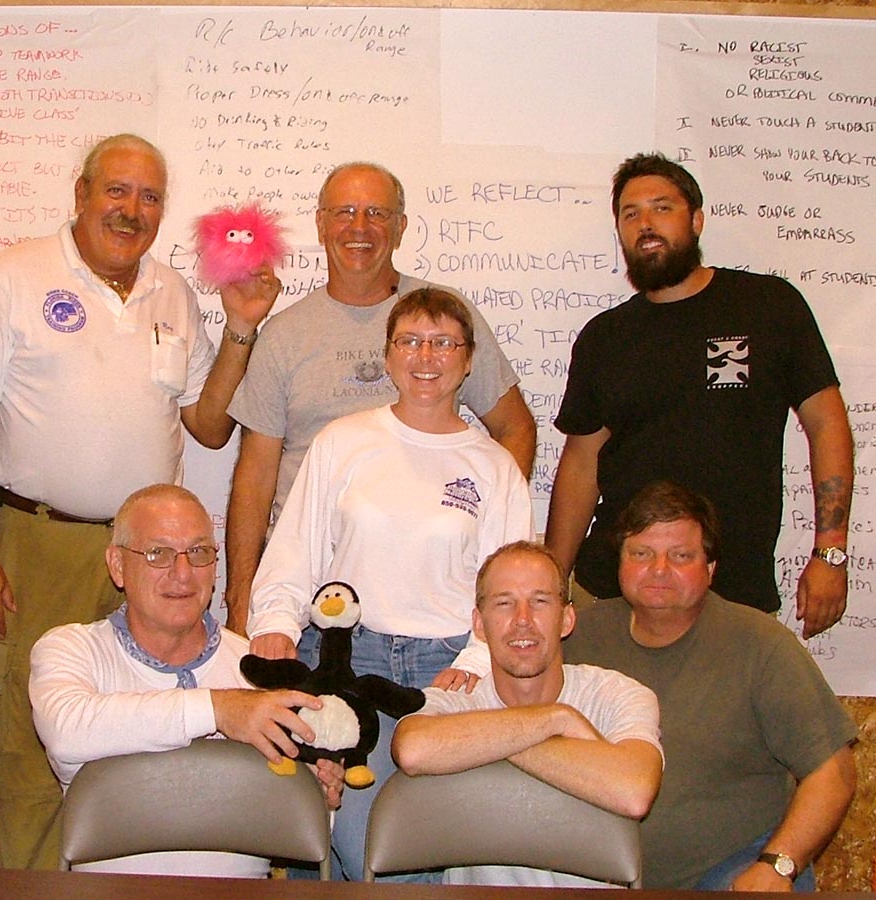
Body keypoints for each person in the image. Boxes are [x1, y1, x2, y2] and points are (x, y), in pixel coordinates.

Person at [0, 133, 281, 869]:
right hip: (44, 546)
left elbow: (208, 425)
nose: (132, 210)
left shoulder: (172, 292)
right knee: (36, 749)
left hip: (158, 559)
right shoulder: (13, 275)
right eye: (117, 190)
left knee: (150, 738)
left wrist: (242, 328)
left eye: (150, 197)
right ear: (81, 193)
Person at [247, 288, 534, 880]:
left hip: (444, 670)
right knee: (334, 833)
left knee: (414, 844)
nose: (425, 357)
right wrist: (274, 625)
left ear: (468, 359)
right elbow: (296, 547)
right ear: (388, 354)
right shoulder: (343, 440)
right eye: (410, 341)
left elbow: (511, 591)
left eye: (443, 343)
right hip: (345, 661)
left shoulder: (494, 467)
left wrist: (477, 660)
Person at [546, 153, 852, 637]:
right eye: (630, 214)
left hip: (732, 594)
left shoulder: (768, 307)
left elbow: (826, 422)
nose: (646, 224)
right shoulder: (605, 337)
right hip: (610, 595)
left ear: (696, 220)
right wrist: (551, 581)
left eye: (662, 207)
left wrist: (830, 551)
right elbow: (581, 464)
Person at [224, 161, 535, 635]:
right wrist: (241, 597)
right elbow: (255, 475)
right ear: (321, 223)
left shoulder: (442, 321)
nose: (359, 227)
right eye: (344, 212)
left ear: (401, 227)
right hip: (310, 598)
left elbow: (515, 427)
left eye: (377, 213)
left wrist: (488, 551)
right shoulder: (284, 335)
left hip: (434, 605)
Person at [29, 484, 342, 877]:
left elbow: (301, 825)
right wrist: (219, 709)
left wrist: (320, 792)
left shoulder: (258, 670)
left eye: (198, 553)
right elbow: (66, 731)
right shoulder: (72, 650)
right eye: (158, 554)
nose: (182, 574)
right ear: (117, 565)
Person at [564, 482, 857, 891]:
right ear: (620, 562)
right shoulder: (576, 635)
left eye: (680, 556)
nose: (659, 569)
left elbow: (834, 772)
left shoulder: (761, 644)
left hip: (733, 868)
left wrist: (778, 865)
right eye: (641, 554)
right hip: (598, 874)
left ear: (711, 567)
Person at [393, 541, 662, 886]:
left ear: (566, 619)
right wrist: (555, 720)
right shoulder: (459, 697)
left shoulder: (616, 694)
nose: (522, 620)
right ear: (479, 624)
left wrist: (489, 744)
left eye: (540, 602)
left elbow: (634, 791)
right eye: (504, 603)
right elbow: (413, 750)